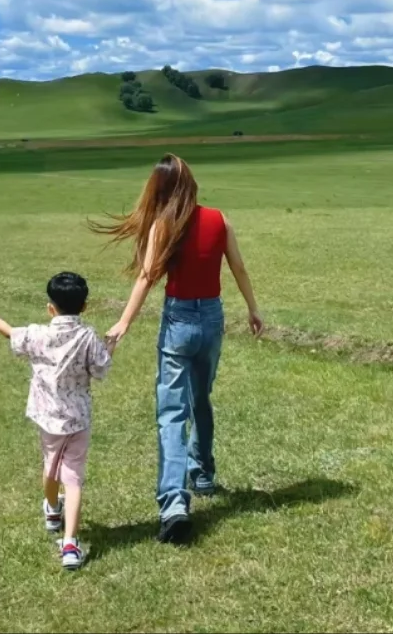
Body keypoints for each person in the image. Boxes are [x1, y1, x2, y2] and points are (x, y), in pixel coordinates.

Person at [95, 153, 263, 544]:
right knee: (201, 397)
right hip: (212, 319)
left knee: (172, 412)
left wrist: (123, 322)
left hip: (179, 322)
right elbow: (238, 267)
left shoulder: (162, 225)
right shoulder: (219, 219)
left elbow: (146, 276)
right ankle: (202, 473)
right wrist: (253, 308)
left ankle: (174, 502)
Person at [0, 271, 111, 571]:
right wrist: (111, 344)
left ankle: (51, 510)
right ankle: (71, 544)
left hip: (48, 418)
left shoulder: (37, 334)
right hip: (78, 419)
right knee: (73, 478)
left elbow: (10, 333)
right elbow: (100, 369)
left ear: (51, 307)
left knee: (50, 466)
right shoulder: (87, 336)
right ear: (84, 307)